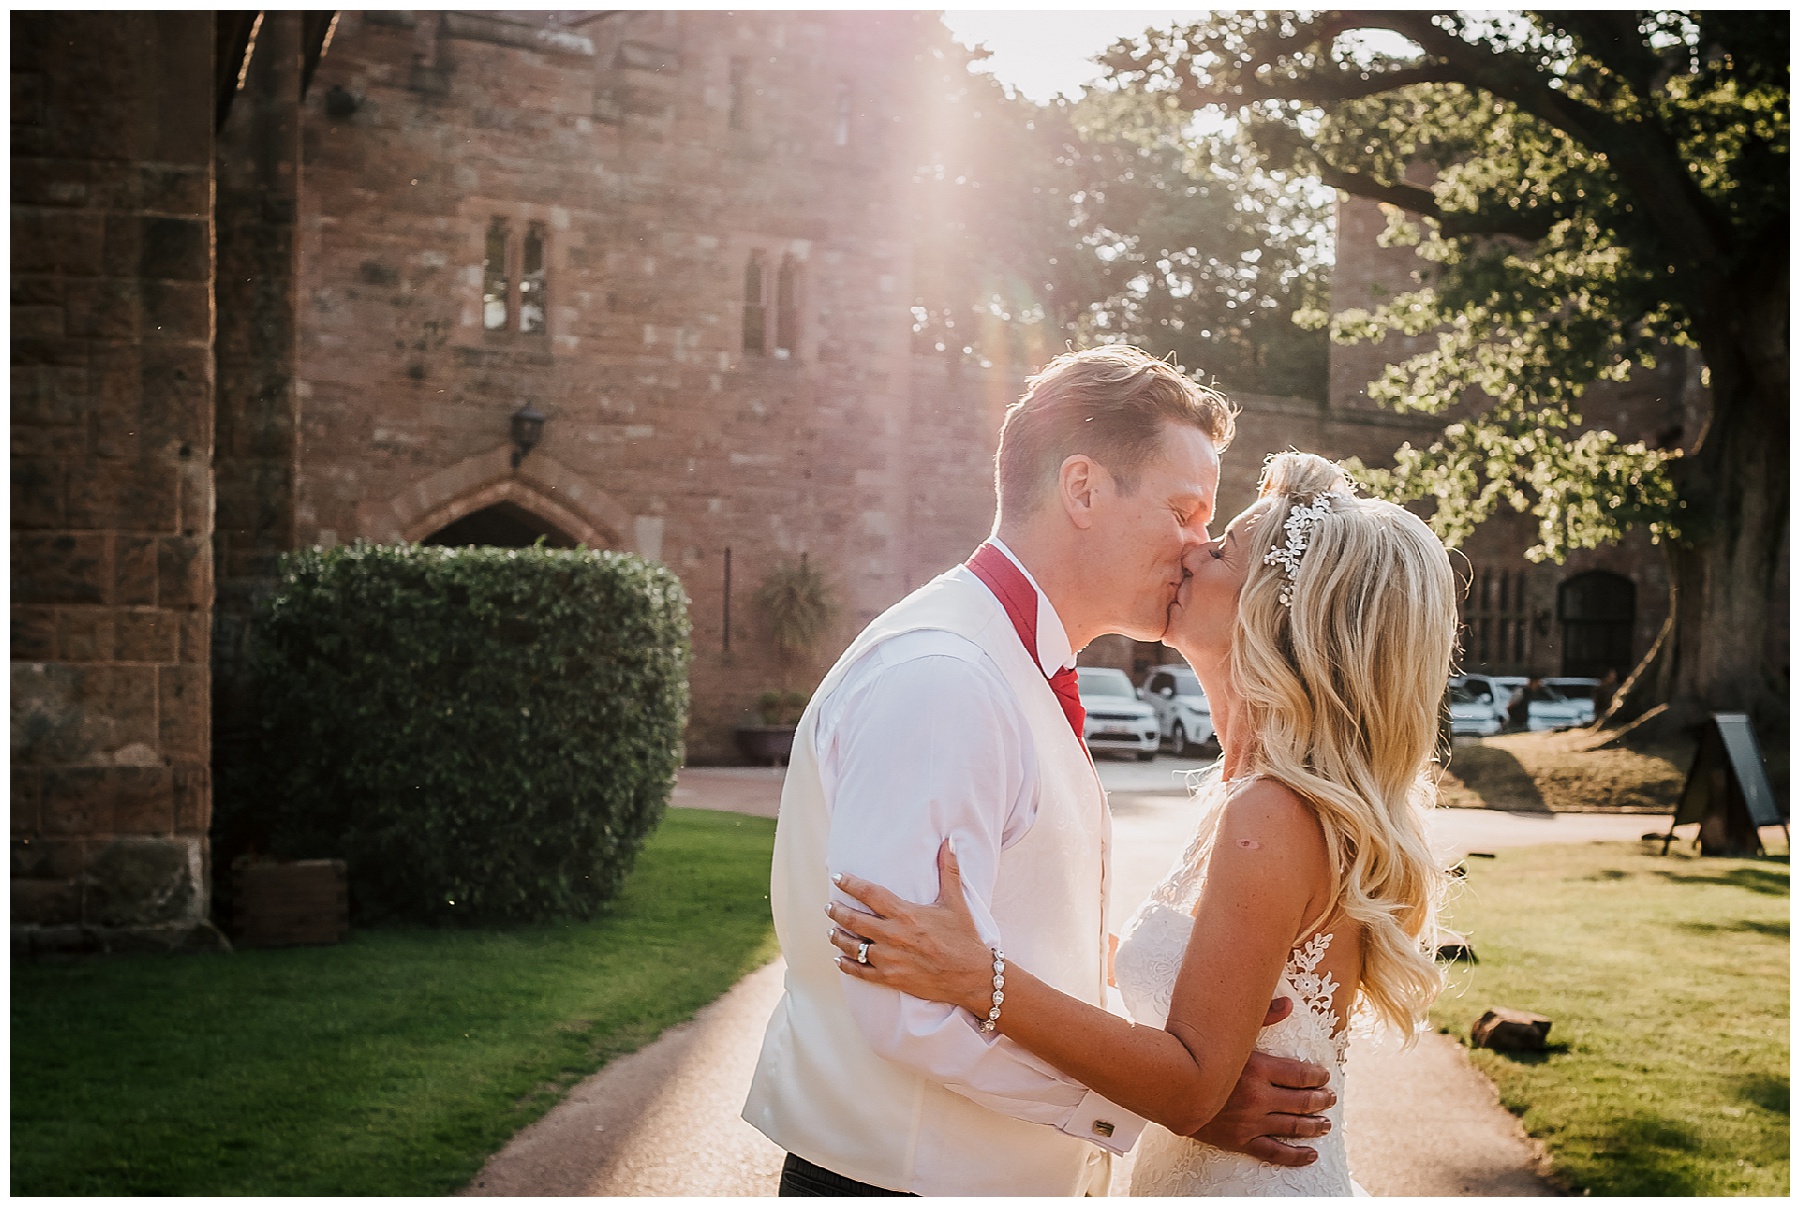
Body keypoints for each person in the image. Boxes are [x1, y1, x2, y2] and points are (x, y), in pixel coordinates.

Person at [742, 349, 1337, 1196]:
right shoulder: (946, 679)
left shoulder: (1010, 666)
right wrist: (1170, 1098)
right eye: (1184, 510)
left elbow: (1016, 942)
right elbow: (907, 1006)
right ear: (1084, 489)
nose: (1200, 544)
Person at [827, 452, 1458, 1195]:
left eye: (1221, 548)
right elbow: (1202, 989)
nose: (1194, 550)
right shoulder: (1251, 790)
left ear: (1275, 608)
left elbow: (1191, 1086)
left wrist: (979, 975)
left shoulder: (1273, 812)